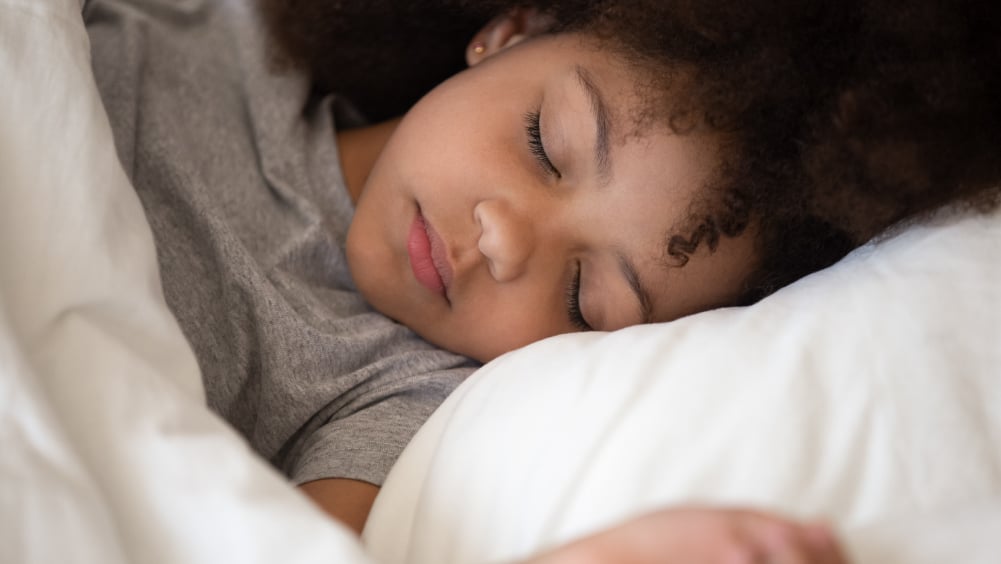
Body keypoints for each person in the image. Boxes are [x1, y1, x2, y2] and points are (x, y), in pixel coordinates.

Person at [83, 0, 998, 561]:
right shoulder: (215, 31)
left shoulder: (392, 396)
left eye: (581, 298)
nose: (504, 241)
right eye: (543, 147)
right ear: (506, 31)